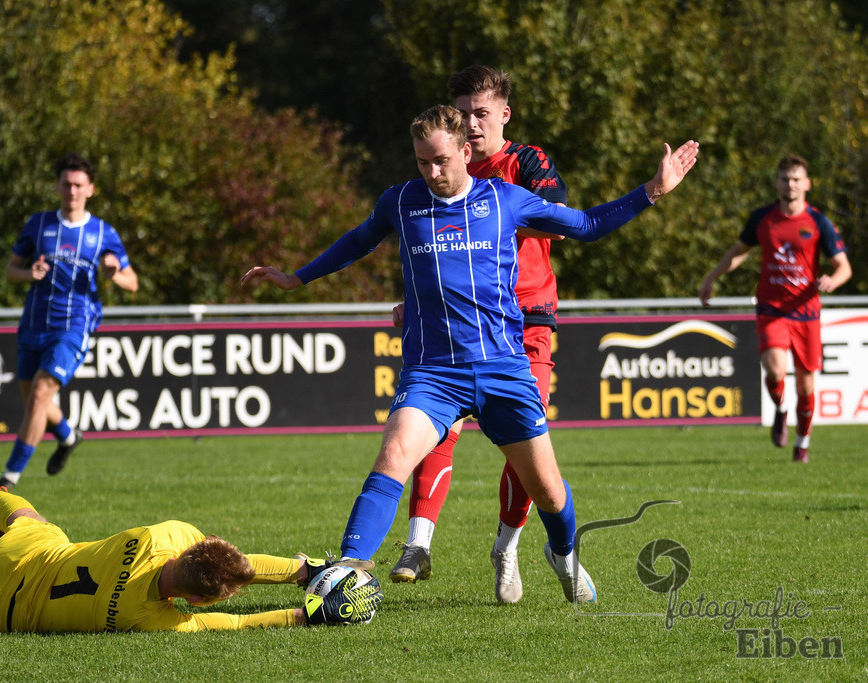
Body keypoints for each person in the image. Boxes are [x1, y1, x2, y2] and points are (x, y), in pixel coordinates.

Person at [243, 105, 699, 604]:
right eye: (422, 162)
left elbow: (587, 224)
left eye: (440, 160)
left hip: (503, 369)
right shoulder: (401, 202)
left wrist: (653, 190)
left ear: (465, 151)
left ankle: (563, 553)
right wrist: (296, 277)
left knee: (547, 491)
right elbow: (357, 242)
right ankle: (347, 572)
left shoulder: (506, 200)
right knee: (394, 454)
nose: (432, 173)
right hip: (432, 373)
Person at [391, 65, 571, 604]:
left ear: (504, 115)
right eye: (463, 113)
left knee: (526, 450)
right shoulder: (442, 169)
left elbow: (559, 214)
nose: (471, 124)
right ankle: (418, 543)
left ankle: (509, 544)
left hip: (526, 318)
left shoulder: (526, 162)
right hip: (456, 323)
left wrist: (498, 218)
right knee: (433, 427)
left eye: (481, 113)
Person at [0, 477, 382, 631]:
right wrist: (306, 614)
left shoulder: (166, 536)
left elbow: (228, 564)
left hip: (18, 558)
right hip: (5, 616)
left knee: (27, 520)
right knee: (4, 598)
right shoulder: (148, 617)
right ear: (195, 602)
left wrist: (305, 569)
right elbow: (238, 621)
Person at [0, 153, 139, 489]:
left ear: (90, 189)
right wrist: (27, 272)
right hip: (33, 324)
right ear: (57, 186)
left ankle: (8, 480)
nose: (71, 190)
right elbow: (10, 271)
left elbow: (132, 282)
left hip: (73, 326)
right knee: (35, 399)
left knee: (40, 395)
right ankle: (68, 435)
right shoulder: (39, 224)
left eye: (78, 184)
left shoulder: (103, 232)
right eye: (66, 183)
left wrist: (113, 273)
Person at [698, 154, 850, 463]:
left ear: (806, 184)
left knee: (806, 388)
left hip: (806, 312)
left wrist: (834, 280)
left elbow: (844, 266)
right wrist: (713, 276)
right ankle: (781, 410)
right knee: (775, 368)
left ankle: (802, 444)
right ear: (777, 182)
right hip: (772, 308)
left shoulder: (818, 222)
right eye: (785, 179)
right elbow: (739, 251)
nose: (790, 184)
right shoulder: (762, 218)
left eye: (796, 179)